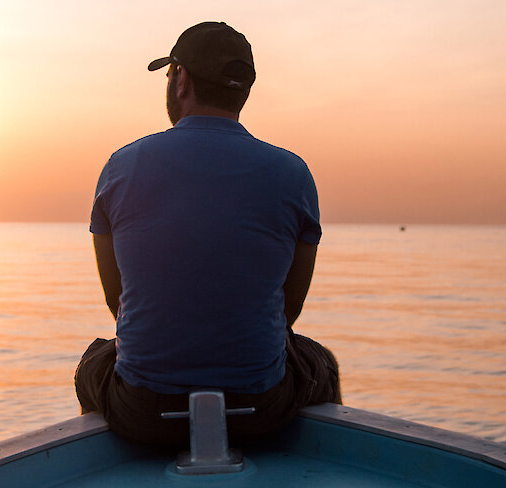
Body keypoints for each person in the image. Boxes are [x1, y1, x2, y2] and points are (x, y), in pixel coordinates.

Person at [75, 21, 341, 447]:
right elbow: (288, 310)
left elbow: (117, 302)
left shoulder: (121, 166)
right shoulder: (293, 173)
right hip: (260, 409)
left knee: (94, 361)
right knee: (318, 361)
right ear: (243, 90)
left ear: (181, 80)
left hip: (145, 412)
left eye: (170, 73)